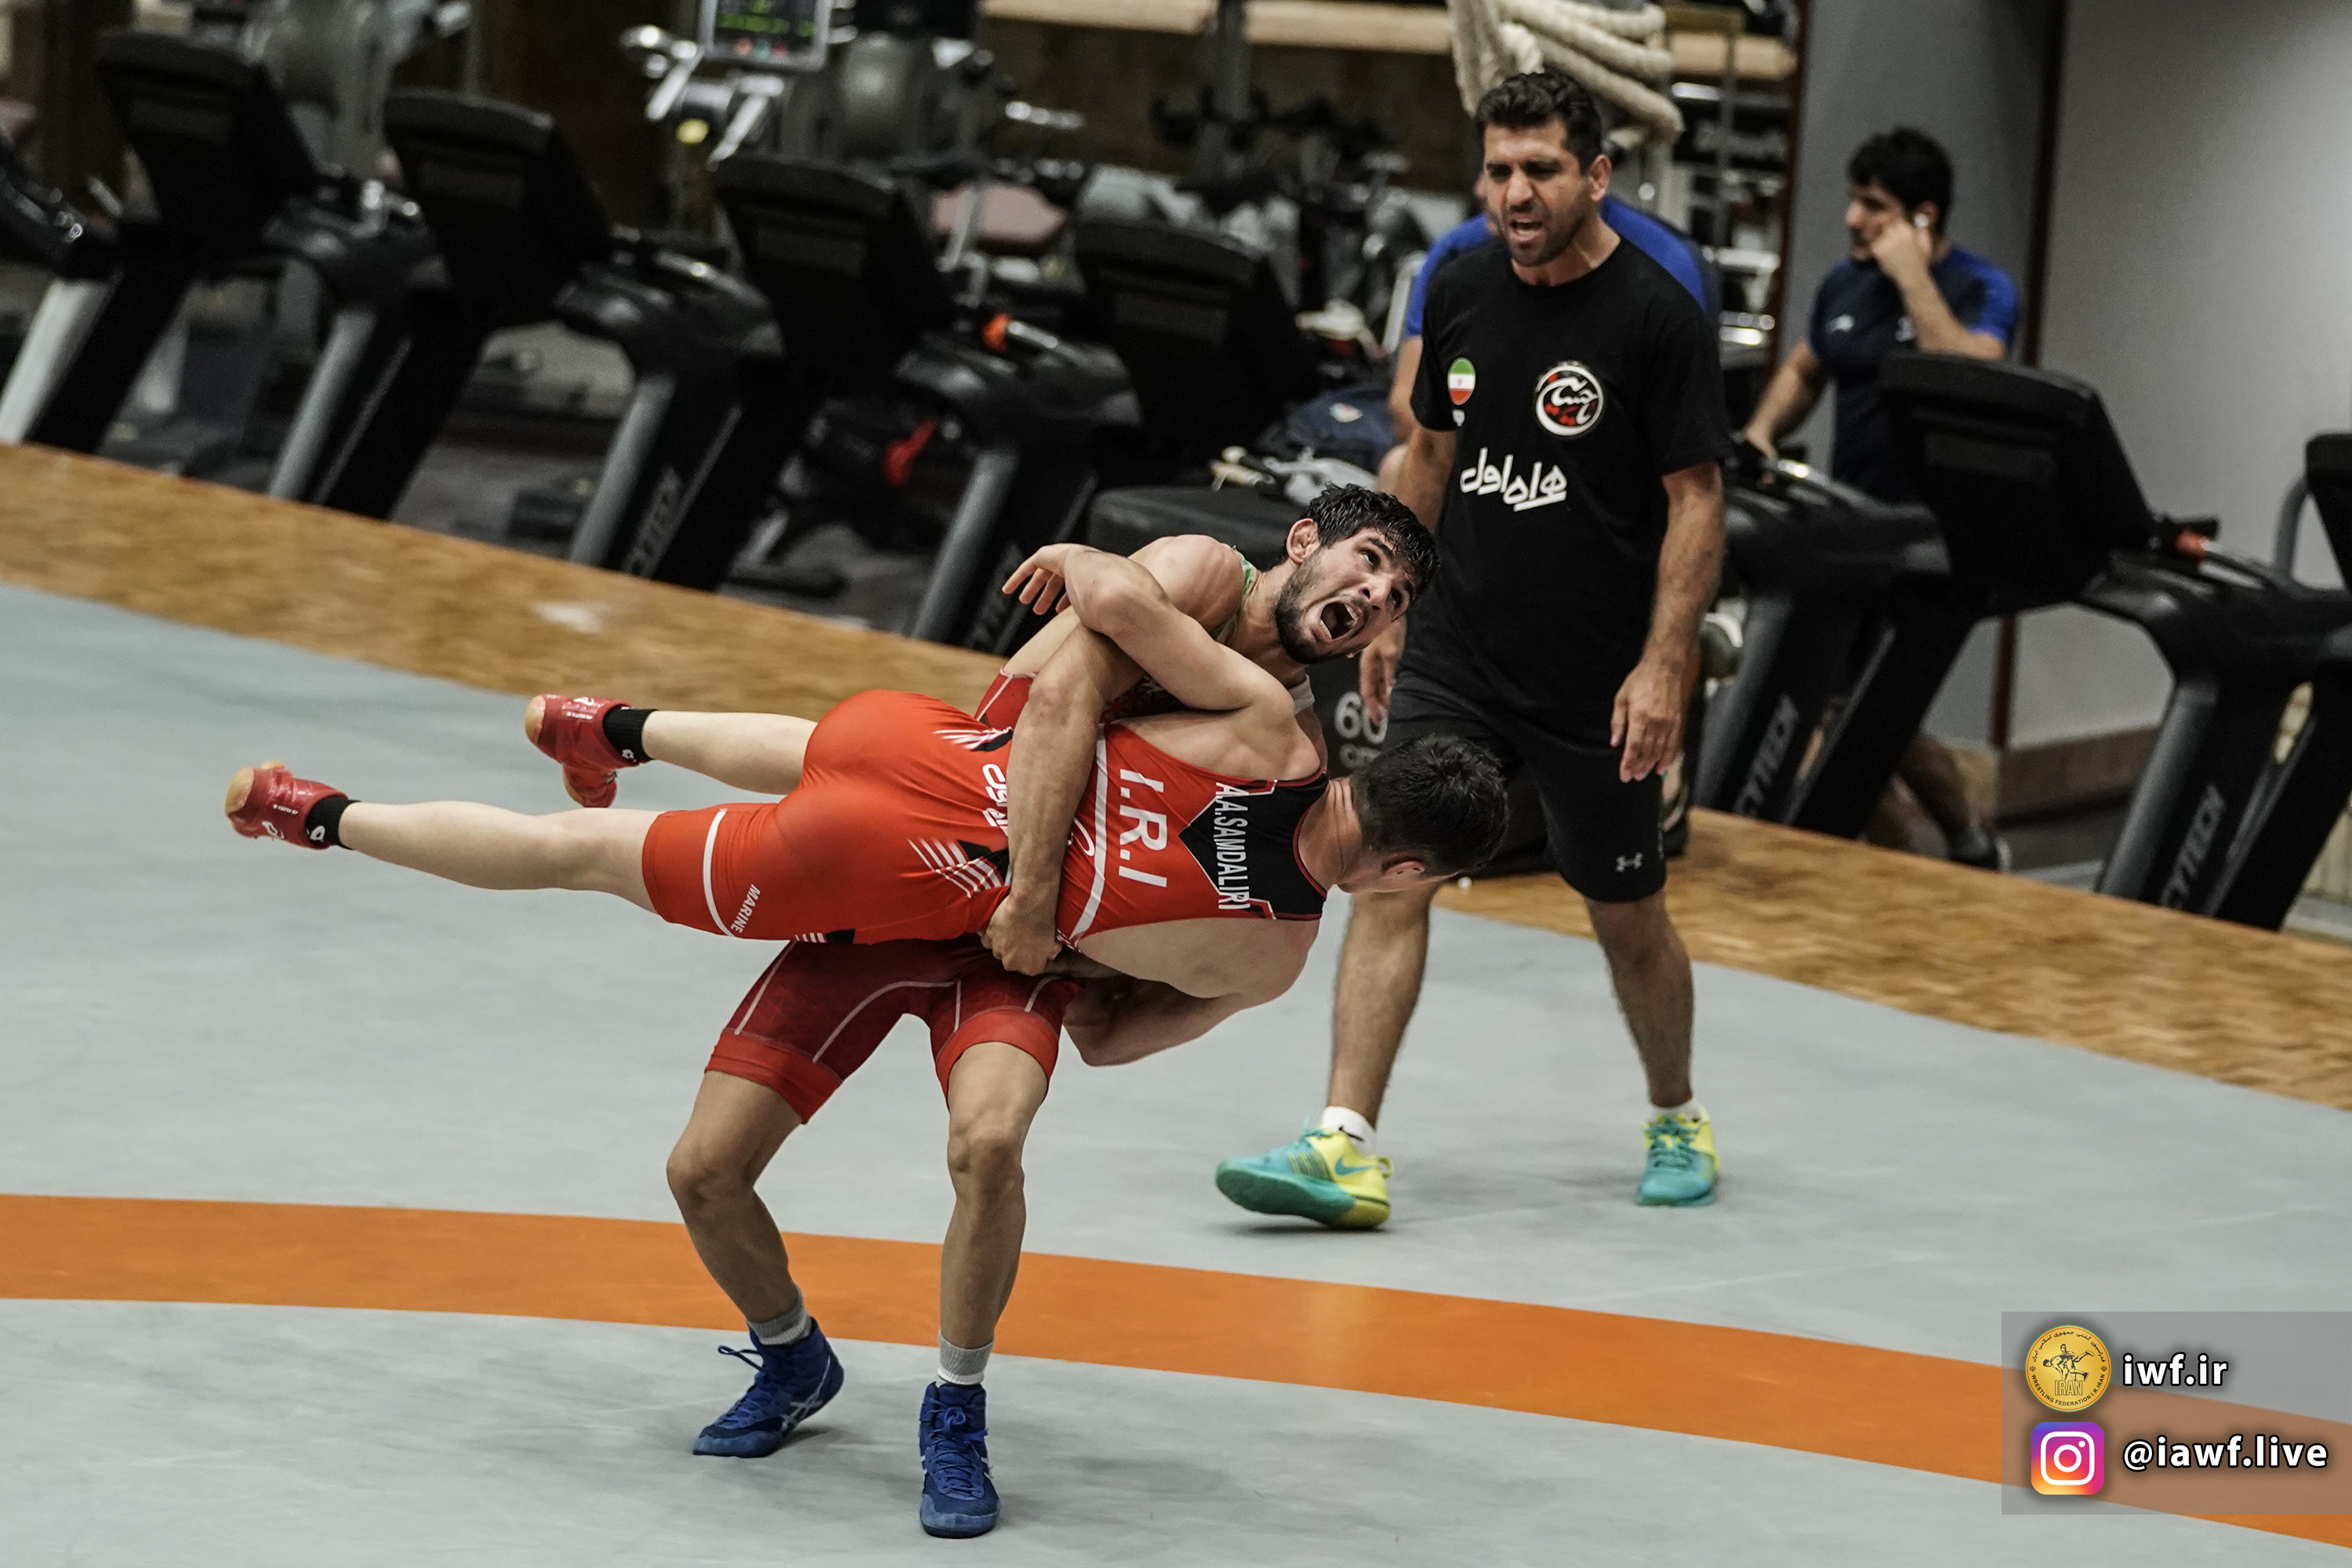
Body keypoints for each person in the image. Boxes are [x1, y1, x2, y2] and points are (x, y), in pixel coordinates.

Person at [511, 492, 1447, 1541]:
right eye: (1370, 564)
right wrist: (1042, 898)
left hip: (1016, 936)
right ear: (1305, 541)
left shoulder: (1288, 739)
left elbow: (1134, 1005)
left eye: (1396, 597)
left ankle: (956, 1405)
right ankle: (791, 1355)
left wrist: (1115, 950)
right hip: (967, 860)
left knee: (989, 1143)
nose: (1374, 597)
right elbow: (1059, 706)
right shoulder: (1198, 579)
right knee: (703, 1169)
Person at [1214, 68, 1732, 1229]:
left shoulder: (1657, 316)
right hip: (1458, 649)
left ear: (1598, 176)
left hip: (1594, 677)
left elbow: (1697, 502)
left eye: (1542, 169)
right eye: (1498, 170)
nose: (1516, 192)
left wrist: (1665, 662)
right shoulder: (1457, 286)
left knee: (1626, 911)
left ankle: (1676, 1112)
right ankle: (1343, 1142)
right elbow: (1431, 459)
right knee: (1389, 866)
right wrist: (1394, 604)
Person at [1739, 126, 2016, 869]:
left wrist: (1913, 277)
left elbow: (1973, 376)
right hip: (1849, 534)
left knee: (1878, 710)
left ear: (1924, 216)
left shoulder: (1981, 288)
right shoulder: (1844, 284)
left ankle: (1967, 844)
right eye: (1854, 201)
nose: (1852, 219)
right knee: (1845, 708)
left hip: (1931, 539)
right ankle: (1899, 867)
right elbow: (1806, 368)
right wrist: (1761, 434)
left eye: (1873, 206)